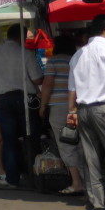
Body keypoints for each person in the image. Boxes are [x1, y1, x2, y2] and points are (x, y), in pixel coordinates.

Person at [67, 14, 105, 210]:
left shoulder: (78, 55)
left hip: (83, 110)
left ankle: (98, 206)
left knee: (91, 160)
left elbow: (71, 89)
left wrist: (71, 112)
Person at [0, 24, 44, 190]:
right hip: (25, 99)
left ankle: (12, 178)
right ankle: (33, 176)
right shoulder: (25, 53)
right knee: (30, 137)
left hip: (3, 99)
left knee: (9, 140)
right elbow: (38, 79)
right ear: (21, 37)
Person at [40, 35, 85, 196]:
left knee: (66, 144)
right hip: (79, 106)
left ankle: (76, 182)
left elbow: (47, 84)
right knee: (80, 144)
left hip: (59, 107)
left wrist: (43, 106)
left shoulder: (53, 62)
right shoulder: (77, 60)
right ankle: (88, 181)